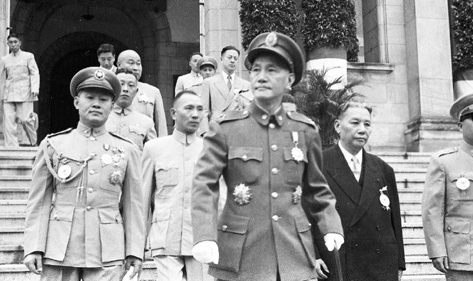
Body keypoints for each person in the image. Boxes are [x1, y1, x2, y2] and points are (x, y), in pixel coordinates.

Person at [190, 31, 344, 281]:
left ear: (290, 79)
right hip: (241, 255)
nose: (261, 77)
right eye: (256, 70)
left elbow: (317, 189)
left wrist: (330, 225)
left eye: (272, 70)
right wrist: (205, 234)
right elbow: (204, 185)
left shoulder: (304, 130)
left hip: (293, 253)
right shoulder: (226, 128)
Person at [23, 67, 144, 280]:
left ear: (112, 105)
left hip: (108, 249)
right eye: (89, 97)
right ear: (77, 102)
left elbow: (134, 205)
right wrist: (33, 246)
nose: (96, 103)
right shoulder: (53, 145)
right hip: (60, 247)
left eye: (104, 99)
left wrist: (134, 250)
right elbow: (39, 202)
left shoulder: (127, 150)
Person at [314, 101, 405, 281]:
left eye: (367, 124)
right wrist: (313, 255)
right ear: (338, 126)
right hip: (338, 260)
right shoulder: (319, 165)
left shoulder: (383, 169)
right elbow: (308, 214)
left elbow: (394, 222)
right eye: (355, 123)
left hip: (380, 263)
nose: (362, 129)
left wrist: (399, 263)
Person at [422, 92, 473, 280]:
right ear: (460, 125)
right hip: (464, 255)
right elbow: (432, 210)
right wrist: (437, 250)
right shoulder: (443, 162)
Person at [142, 90, 212, 281]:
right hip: (165, 237)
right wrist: (138, 246)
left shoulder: (211, 150)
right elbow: (142, 201)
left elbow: (219, 199)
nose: (195, 114)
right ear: (173, 113)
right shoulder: (154, 149)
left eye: (199, 109)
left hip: (201, 238)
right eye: (188, 108)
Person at [199, 46, 252, 135]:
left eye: (235, 58)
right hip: (216, 130)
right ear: (221, 59)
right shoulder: (209, 82)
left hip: (238, 131)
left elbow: (248, 112)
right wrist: (205, 132)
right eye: (229, 57)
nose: (232, 61)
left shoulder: (245, 84)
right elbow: (204, 111)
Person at [1, 32, 40, 147]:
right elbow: (2, 77)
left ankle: (33, 141)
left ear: (20, 43)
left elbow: (34, 72)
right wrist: (1, 94)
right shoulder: (5, 59)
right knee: (8, 120)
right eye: (11, 42)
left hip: (25, 91)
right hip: (9, 93)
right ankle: (11, 147)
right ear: (7, 44)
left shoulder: (28, 56)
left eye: (15, 42)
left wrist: (35, 88)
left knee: (25, 119)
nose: (13, 45)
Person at [117, 49, 167, 137]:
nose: (136, 68)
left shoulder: (153, 91)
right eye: (131, 63)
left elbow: (161, 126)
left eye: (138, 64)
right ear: (119, 65)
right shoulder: (112, 88)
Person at [106, 68, 156, 151]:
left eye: (131, 85)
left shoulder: (146, 122)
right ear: (113, 89)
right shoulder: (101, 118)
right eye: (121, 84)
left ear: (136, 91)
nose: (125, 89)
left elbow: (153, 155)